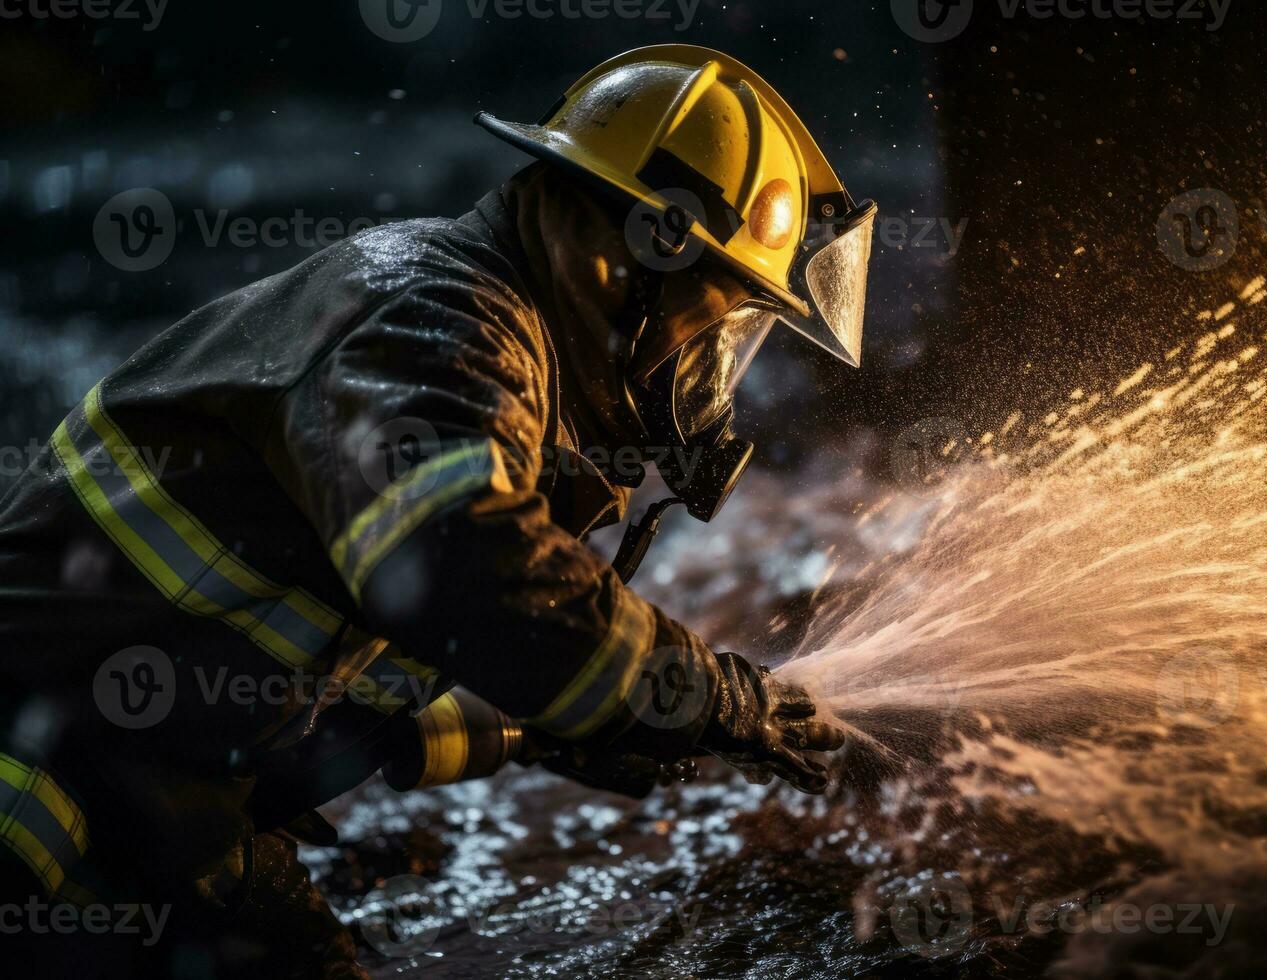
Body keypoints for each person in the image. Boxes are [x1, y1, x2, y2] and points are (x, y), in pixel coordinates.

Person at [0, 44, 875, 977]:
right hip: (39, 815)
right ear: (643, 250)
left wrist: (553, 727)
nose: (712, 374)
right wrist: (691, 687)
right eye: (723, 323)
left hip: (139, 795)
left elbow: (360, 679)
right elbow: (463, 570)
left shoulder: (475, 333)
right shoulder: (433, 319)